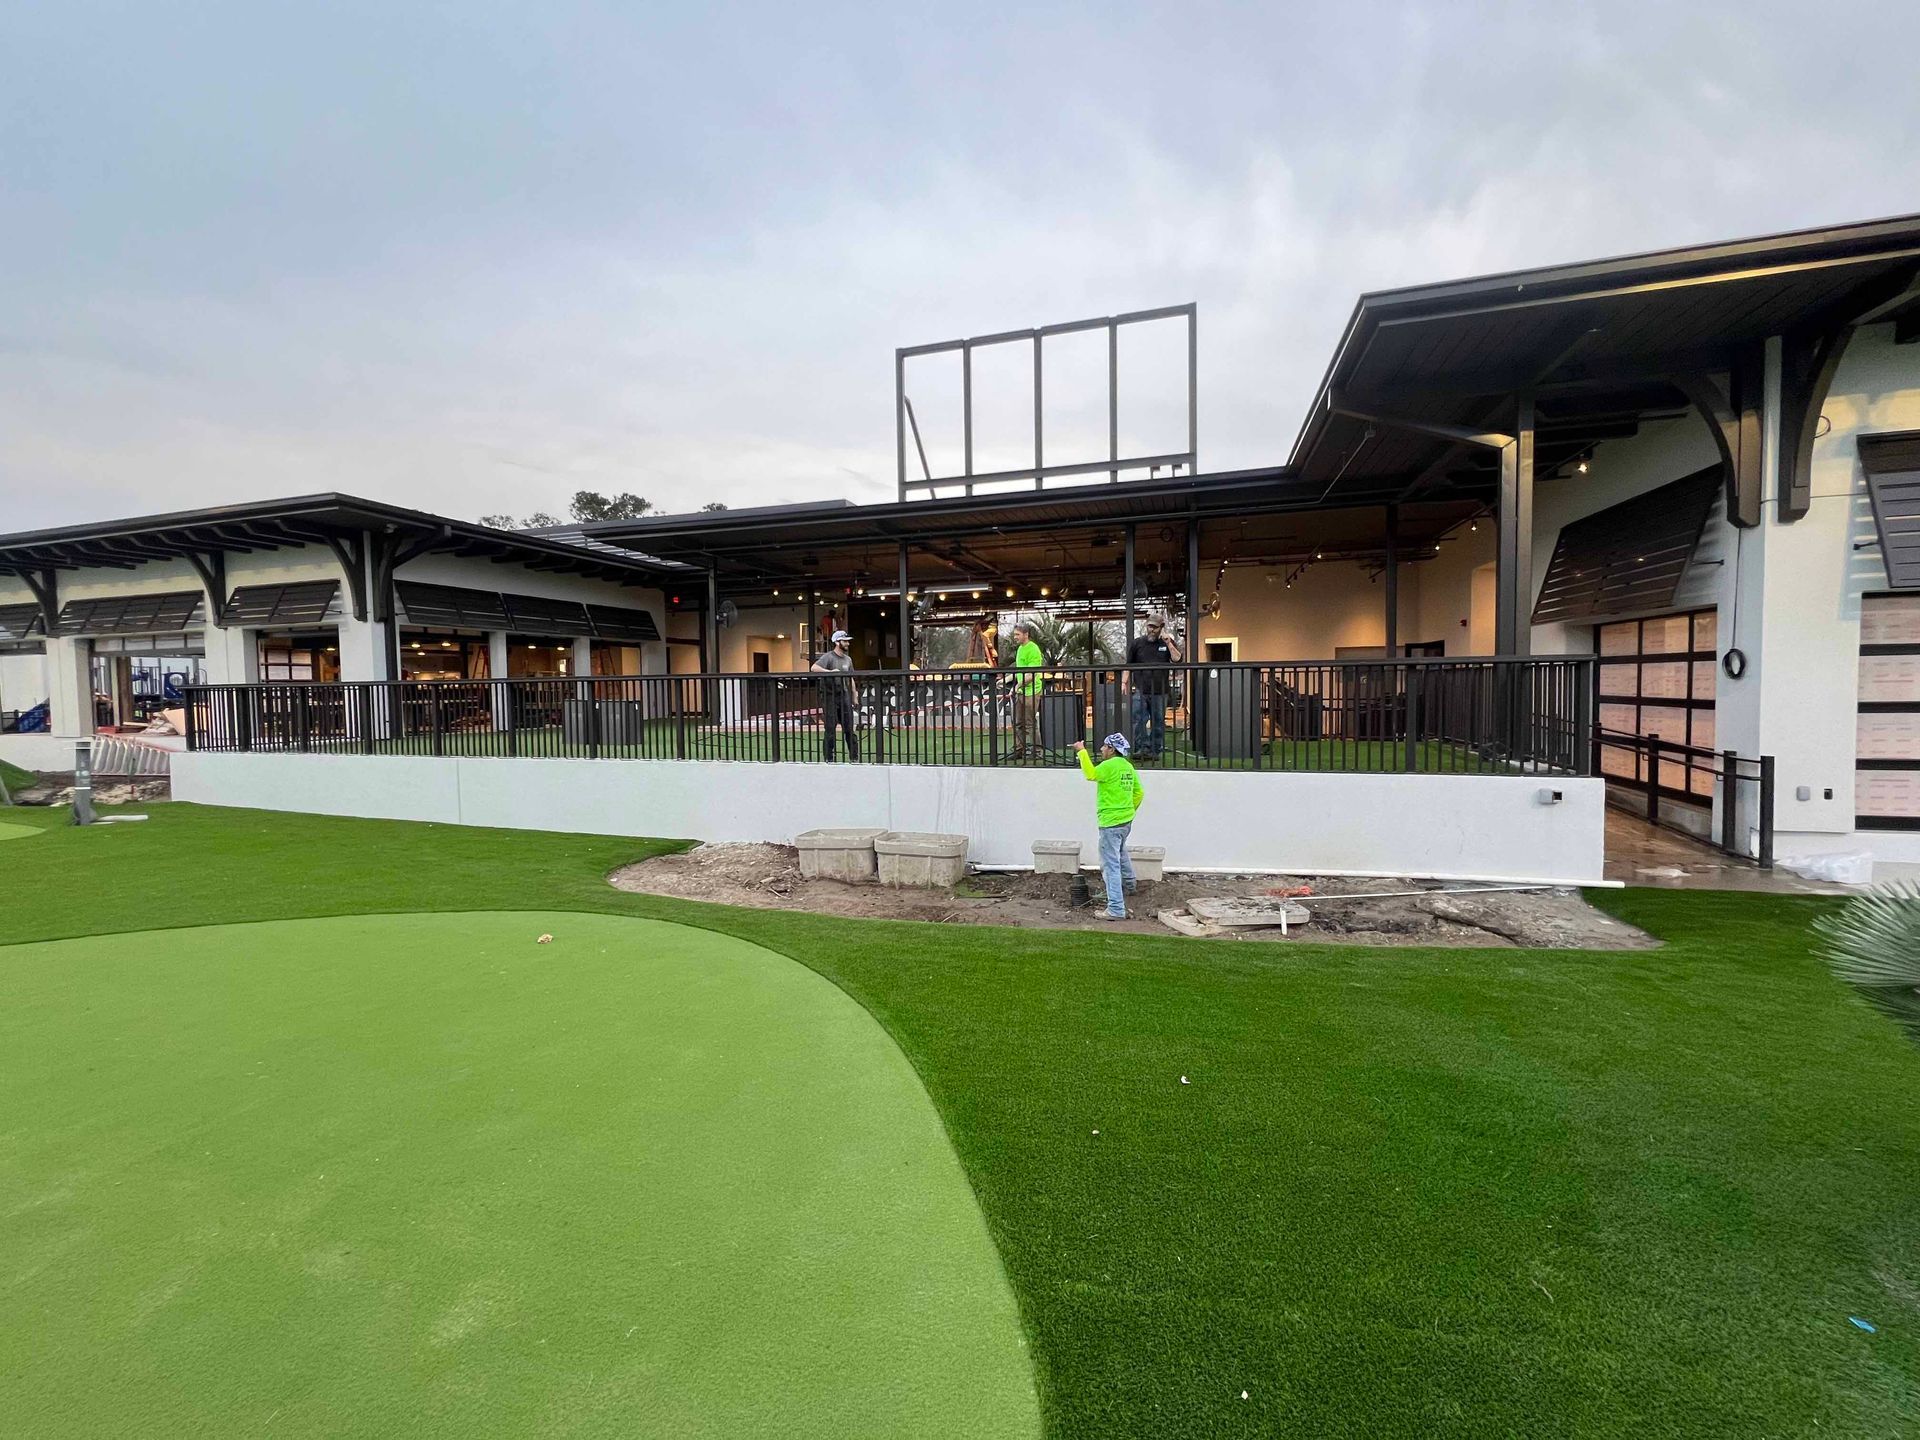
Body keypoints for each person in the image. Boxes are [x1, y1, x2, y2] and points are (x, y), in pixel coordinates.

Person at [1073, 732, 1146, 921]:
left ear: (1112, 749)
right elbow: (1139, 792)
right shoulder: (1127, 767)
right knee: (1121, 853)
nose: (1102, 749)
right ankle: (1129, 887)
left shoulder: (1109, 766)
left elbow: (1091, 774)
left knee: (1110, 865)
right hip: (1125, 820)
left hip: (1110, 822)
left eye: (1104, 746)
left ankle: (1115, 908)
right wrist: (1129, 810)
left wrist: (1081, 752)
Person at [1124, 614, 1181, 761]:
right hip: (1141, 689)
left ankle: (1155, 751)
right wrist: (1124, 682)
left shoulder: (1167, 643)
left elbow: (1177, 659)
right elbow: (1128, 665)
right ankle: (1141, 749)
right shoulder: (1137, 643)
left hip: (1160, 691)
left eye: (1155, 627)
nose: (1152, 630)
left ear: (1161, 627)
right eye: (1150, 626)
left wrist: (1169, 643)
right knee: (1138, 720)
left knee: (1158, 721)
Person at [810, 629, 859, 761]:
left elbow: (851, 678)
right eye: (845, 641)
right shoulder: (828, 657)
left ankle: (854, 757)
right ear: (837, 642)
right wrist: (830, 672)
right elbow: (814, 668)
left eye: (848, 641)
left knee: (849, 728)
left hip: (844, 695)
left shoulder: (848, 659)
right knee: (830, 728)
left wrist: (854, 695)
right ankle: (829, 757)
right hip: (829, 695)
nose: (848, 643)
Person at [1009, 621, 1045, 758]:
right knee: (1018, 723)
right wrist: (1005, 680)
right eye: (1015, 634)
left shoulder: (1033, 649)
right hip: (1021, 691)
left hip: (1032, 691)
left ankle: (1037, 752)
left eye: (1017, 634)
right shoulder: (1020, 649)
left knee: (1029, 723)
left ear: (1026, 634)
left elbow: (1031, 674)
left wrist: (1017, 686)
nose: (1015, 637)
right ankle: (1019, 750)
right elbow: (1020, 672)